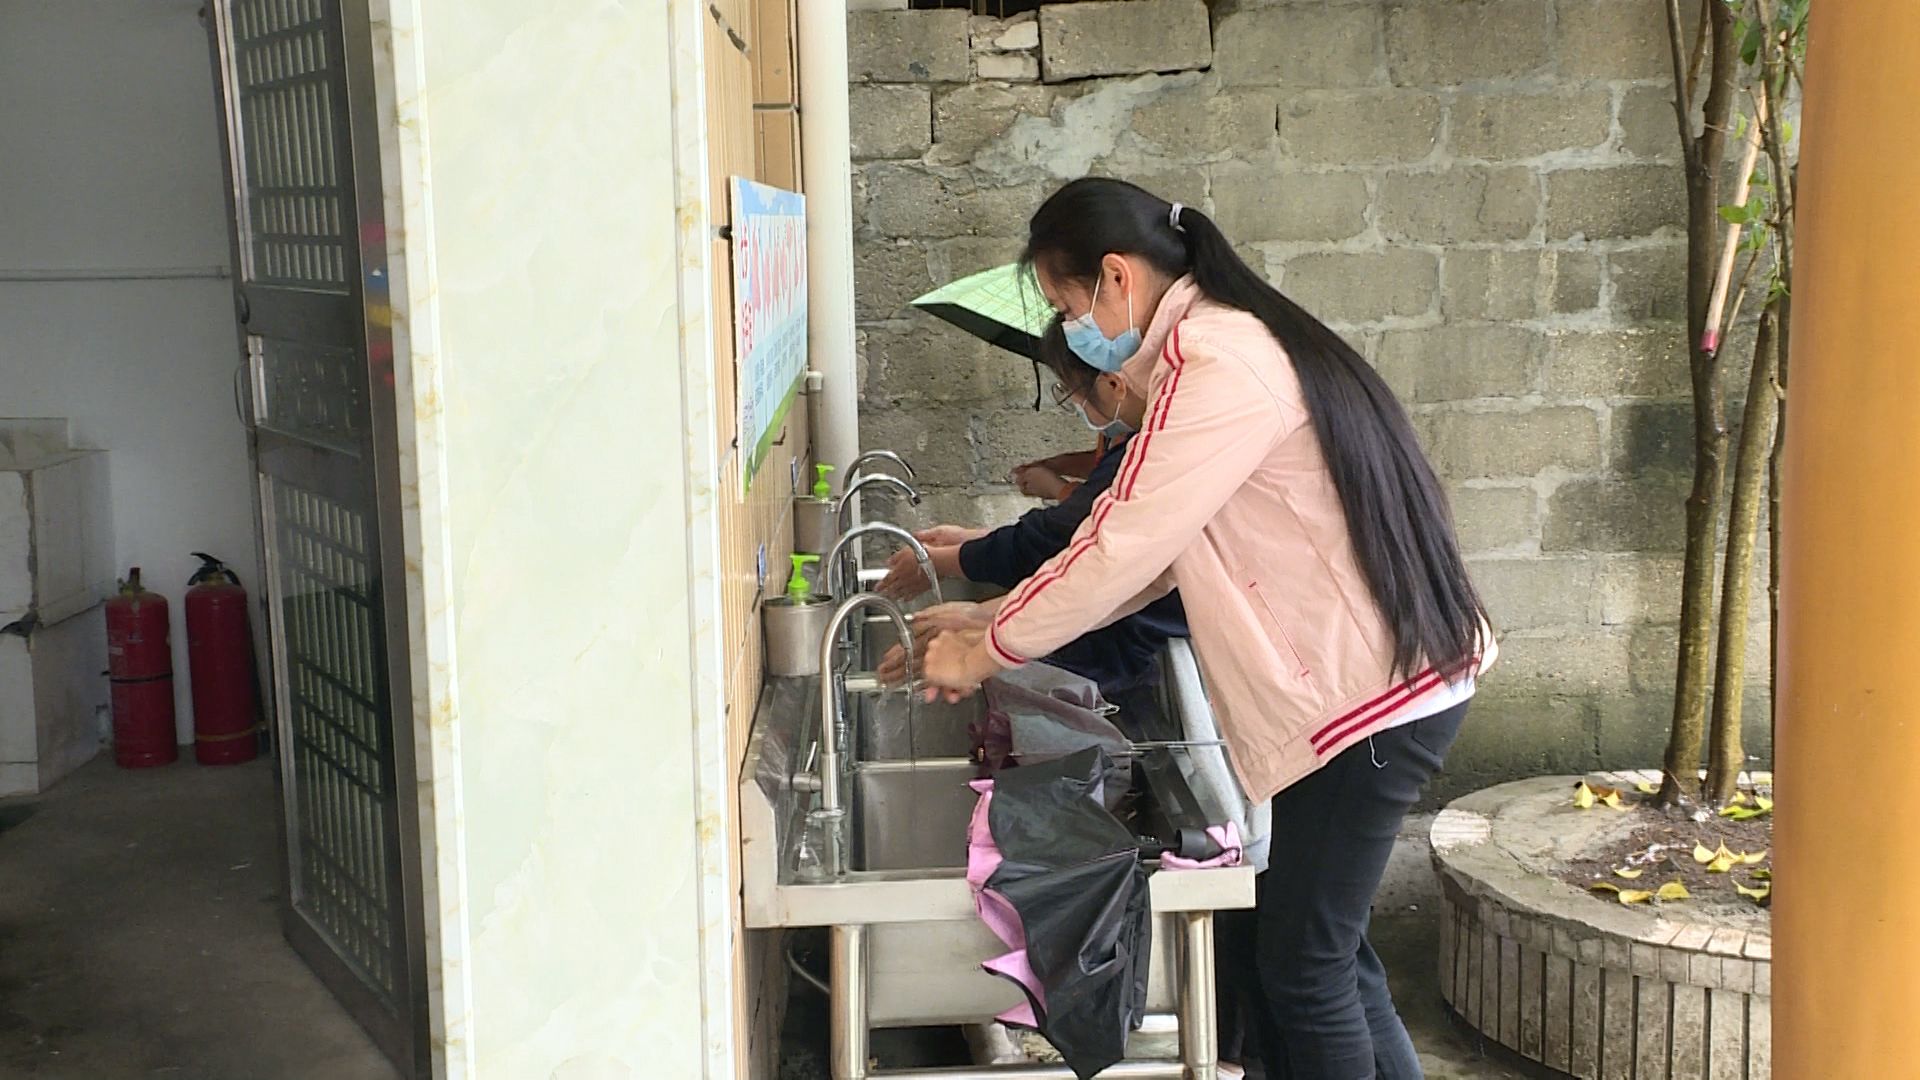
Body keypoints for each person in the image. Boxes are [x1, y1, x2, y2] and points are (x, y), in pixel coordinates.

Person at [907, 178, 1498, 1080]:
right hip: (1372, 686)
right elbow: (1140, 556)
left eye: (1069, 308)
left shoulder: (1217, 363)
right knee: (1321, 953)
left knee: (1303, 968)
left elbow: (1121, 544)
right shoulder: (1216, 346)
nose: (1074, 333)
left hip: (1372, 697)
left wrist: (988, 643)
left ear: (1116, 278)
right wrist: (992, 616)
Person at [875, 318, 1187, 708]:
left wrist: (980, 634)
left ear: (1114, 384)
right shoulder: (1143, 441)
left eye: (1069, 390)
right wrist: (984, 614)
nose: (1071, 402)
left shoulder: (1165, 453)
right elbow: (1094, 557)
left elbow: (1083, 551)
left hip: (1130, 654)